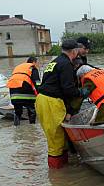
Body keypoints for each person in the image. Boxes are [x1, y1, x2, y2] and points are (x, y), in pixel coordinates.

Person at [36, 40, 88, 168]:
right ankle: (56, 175)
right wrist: (81, 92)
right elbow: (68, 89)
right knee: (56, 139)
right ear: (74, 51)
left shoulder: (54, 62)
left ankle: (63, 172)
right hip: (51, 102)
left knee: (57, 136)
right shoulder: (66, 64)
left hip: (41, 100)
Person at [6, 56, 40, 126]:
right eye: (37, 63)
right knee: (31, 110)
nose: (38, 65)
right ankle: (32, 127)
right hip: (26, 93)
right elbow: (37, 83)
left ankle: (16, 127)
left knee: (17, 112)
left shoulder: (19, 67)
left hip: (13, 93)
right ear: (34, 62)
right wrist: (40, 94)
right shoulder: (32, 68)